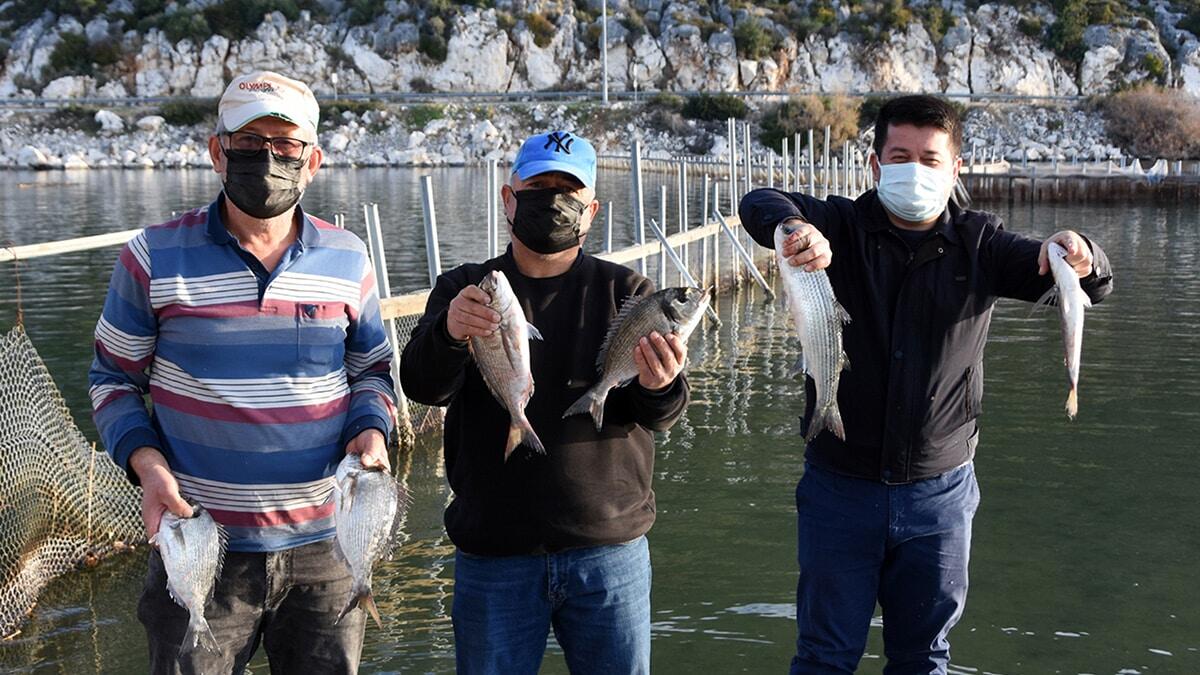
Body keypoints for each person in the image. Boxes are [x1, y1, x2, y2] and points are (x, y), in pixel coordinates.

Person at [738, 95, 1113, 674]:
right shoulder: (838, 224)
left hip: (939, 498)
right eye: (900, 155)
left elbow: (1086, 284)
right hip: (839, 488)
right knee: (823, 656)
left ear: (955, 169)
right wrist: (791, 227)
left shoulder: (982, 244)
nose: (915, 169)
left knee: (924, 658)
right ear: (875, 164)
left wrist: (1084, 256)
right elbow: (758, 201)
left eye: (931, 158)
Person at [88, 71, 396, 674]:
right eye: (250, 144)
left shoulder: (348, 257)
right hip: (198, 543)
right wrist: (146, 467)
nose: (269, 159)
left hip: (328, 553)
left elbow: (372, 370)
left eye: (286, 147)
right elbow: (112, 380)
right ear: (217, 150)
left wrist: (372, 428)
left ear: (313, 162)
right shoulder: (152, 255)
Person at [400, 130, 688, 674]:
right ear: (508, 199)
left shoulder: (629, 291)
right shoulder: (466, 287)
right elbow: (422, 387)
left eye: (568, 191)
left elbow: (662, 414)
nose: (552, 202)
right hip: (493, 555)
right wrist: (448, 334)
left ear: (591, 210)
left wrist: (660, 383)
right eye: (538, 187)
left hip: (610, 551)